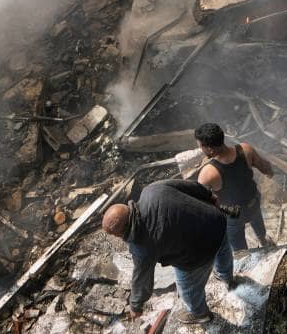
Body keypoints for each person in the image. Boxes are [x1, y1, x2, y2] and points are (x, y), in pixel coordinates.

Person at [107, 177, 234, 323]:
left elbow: (142, 278)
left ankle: (200, 315)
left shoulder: (141, 246)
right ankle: (226, 278)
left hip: (197, 254)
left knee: (188, 289)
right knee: (223, 252)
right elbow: (190, 185)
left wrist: (135, 306)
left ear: (118, 233)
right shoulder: (152, 190)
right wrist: (210, 195)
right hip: (215, 222)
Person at [193, 122, 276, 267]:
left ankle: (247, 265)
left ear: (210, 148)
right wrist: (270, 173)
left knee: (240, 251)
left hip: (233, 213)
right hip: (254, 201)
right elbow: (266, 168)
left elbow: (201, 204)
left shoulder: (207, 173)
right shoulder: (245, 149)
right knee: (257, 222)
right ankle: (264, 241)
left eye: (200, 146)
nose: (200, 149)